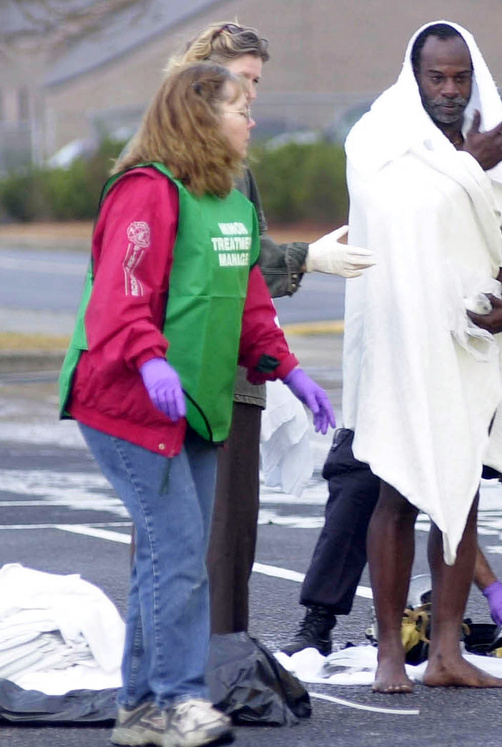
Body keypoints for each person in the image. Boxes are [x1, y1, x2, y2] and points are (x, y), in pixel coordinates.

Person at [57, 62, 335, 747]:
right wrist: (149, 358)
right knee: (179, 552)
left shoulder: (234, 205)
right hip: (124, 403)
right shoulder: (146, 192)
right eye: (240, 106)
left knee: (172, 553)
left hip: (197, 409)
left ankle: (140, 708)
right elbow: (120, 294)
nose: (252, 119)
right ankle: (178, 700)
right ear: (198, 119)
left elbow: (250, 307)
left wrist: (290, 371)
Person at [342, 20, 502, 692]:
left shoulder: (489, 138)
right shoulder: (376, 138)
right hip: (399, 334)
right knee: (397, 488)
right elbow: (395, 218)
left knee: (460, 492)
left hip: (468, 340)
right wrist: (470, 166)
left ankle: (446, 651)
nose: (449, 88)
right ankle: (388, 653)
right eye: (437, 76)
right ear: (414, 76)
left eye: (460, 76)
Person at [165, 21, 374, 636]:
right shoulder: (171, 167)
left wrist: (286, 367)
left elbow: (249, 282)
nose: (254, 96)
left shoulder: (236, 167)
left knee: (233, 537)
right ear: (204, 79)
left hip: (239, 372)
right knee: (190, 535)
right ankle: (182, 672)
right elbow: (222, 266)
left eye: (258, 82)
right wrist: (304, 258)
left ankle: (223, 661)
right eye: (244, 81)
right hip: (189, 378)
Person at [281, 381, 502, 660]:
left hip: (491, 404)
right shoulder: (453, 425)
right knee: (358, 488)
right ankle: (318, 621)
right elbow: (449, 513)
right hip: (401, 408)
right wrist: (492, 587)